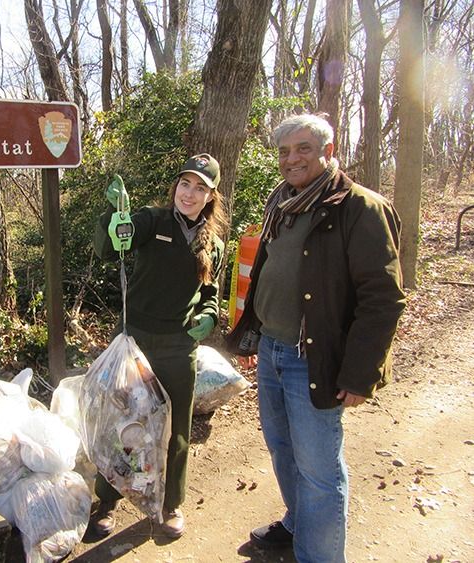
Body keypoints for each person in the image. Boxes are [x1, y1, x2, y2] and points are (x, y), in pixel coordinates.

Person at [225, 113, 406, 562]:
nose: (292, 159)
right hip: (271, 351)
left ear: (327, 151)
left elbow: (383, 298)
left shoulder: (359, 208)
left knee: (320, 469)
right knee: (282, 449)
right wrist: (253, 336)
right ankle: (297, 522)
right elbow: (267, 274)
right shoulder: (280, 204)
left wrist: (361, 373)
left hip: (314, 358)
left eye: (303, 148)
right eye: (285, 151)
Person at [91, 153, 227, 539]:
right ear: (176, 187)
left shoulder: (213, 244)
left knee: (175, 430)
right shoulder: (152, 221)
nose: (190, 193)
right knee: (124, 425)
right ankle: (107, 500)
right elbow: (108, 249)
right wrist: (114, 215)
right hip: (135, 341)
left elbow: (210, 293)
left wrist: (211, 316)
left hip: (178, 346)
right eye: (186, 184)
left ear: (210, 196)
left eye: (200, 188)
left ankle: (171, 505)